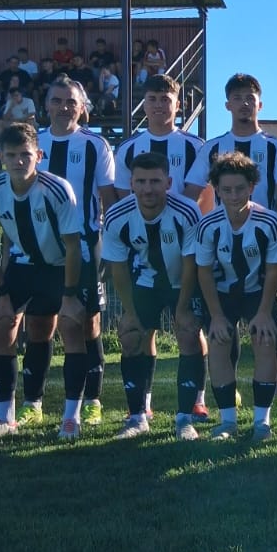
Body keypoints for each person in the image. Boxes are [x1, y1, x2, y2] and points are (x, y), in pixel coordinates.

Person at [0, 121, 84, 440]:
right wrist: (2, 294)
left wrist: (70, 295)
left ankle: (71, 418)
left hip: (61, 266)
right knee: (1, 324)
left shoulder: (58, 190)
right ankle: (4, 418)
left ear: (39, 155)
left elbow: (73, 246)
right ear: (1, 158)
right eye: (11, 155)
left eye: (25, 154)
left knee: (69, 326)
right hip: (23, 265)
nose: (19, 161)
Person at [100, 151, 205, 441]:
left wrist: (182, 309)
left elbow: (191, 264)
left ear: (168, 183)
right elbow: (118, 269)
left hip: (182, 282)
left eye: (155, 181)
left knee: (188, 333)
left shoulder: (187, 212)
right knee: (130, 335)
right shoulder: (117, 216)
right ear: (131, 183)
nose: (148, 189)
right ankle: (137, 417)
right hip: (144, 282)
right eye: (141, 181)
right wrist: (130, 312)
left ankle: (185, 419)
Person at [38, 77, 118, 425]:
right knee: (40, 322)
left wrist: (110, 246)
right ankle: (33, 403)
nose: (64, 107)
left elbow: (109, 199)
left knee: (88, 321)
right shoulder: (34, 144)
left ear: (82, 108)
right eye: (57, 100)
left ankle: (93, 400)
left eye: (71, 101)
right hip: (42, 246)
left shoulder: (95, 144)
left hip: (86, 245)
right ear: (46, 106)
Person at [193, 152, 277, 442]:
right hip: (222, 295)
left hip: (259, 293)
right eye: (227, 190)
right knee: (218, 342)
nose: (234, 196)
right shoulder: (208, 225)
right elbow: (204, 272)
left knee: (265, 339)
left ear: (252, 187)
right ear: (216, 190)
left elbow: (274, 270)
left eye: (240, 189)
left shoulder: (269, 222)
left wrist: (264, 312)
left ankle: (262, 422)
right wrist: (216, 316)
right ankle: (228, 422)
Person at [186, 73, 277, 210]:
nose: (244, 103)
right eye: (237, 98)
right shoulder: (211, 148)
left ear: (260, 105)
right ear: (228, 105)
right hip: (222, 224)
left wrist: (271, 222)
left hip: (266, 223)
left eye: (250, 98)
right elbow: (191, 193)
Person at [114, 74, 205, 200]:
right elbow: (124, 196)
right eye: (152, 99)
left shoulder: (197, 147)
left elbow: (204, 195)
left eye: (165, 99)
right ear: (144, 105)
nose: (158, 105)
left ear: (177, 105)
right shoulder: (127, 148)